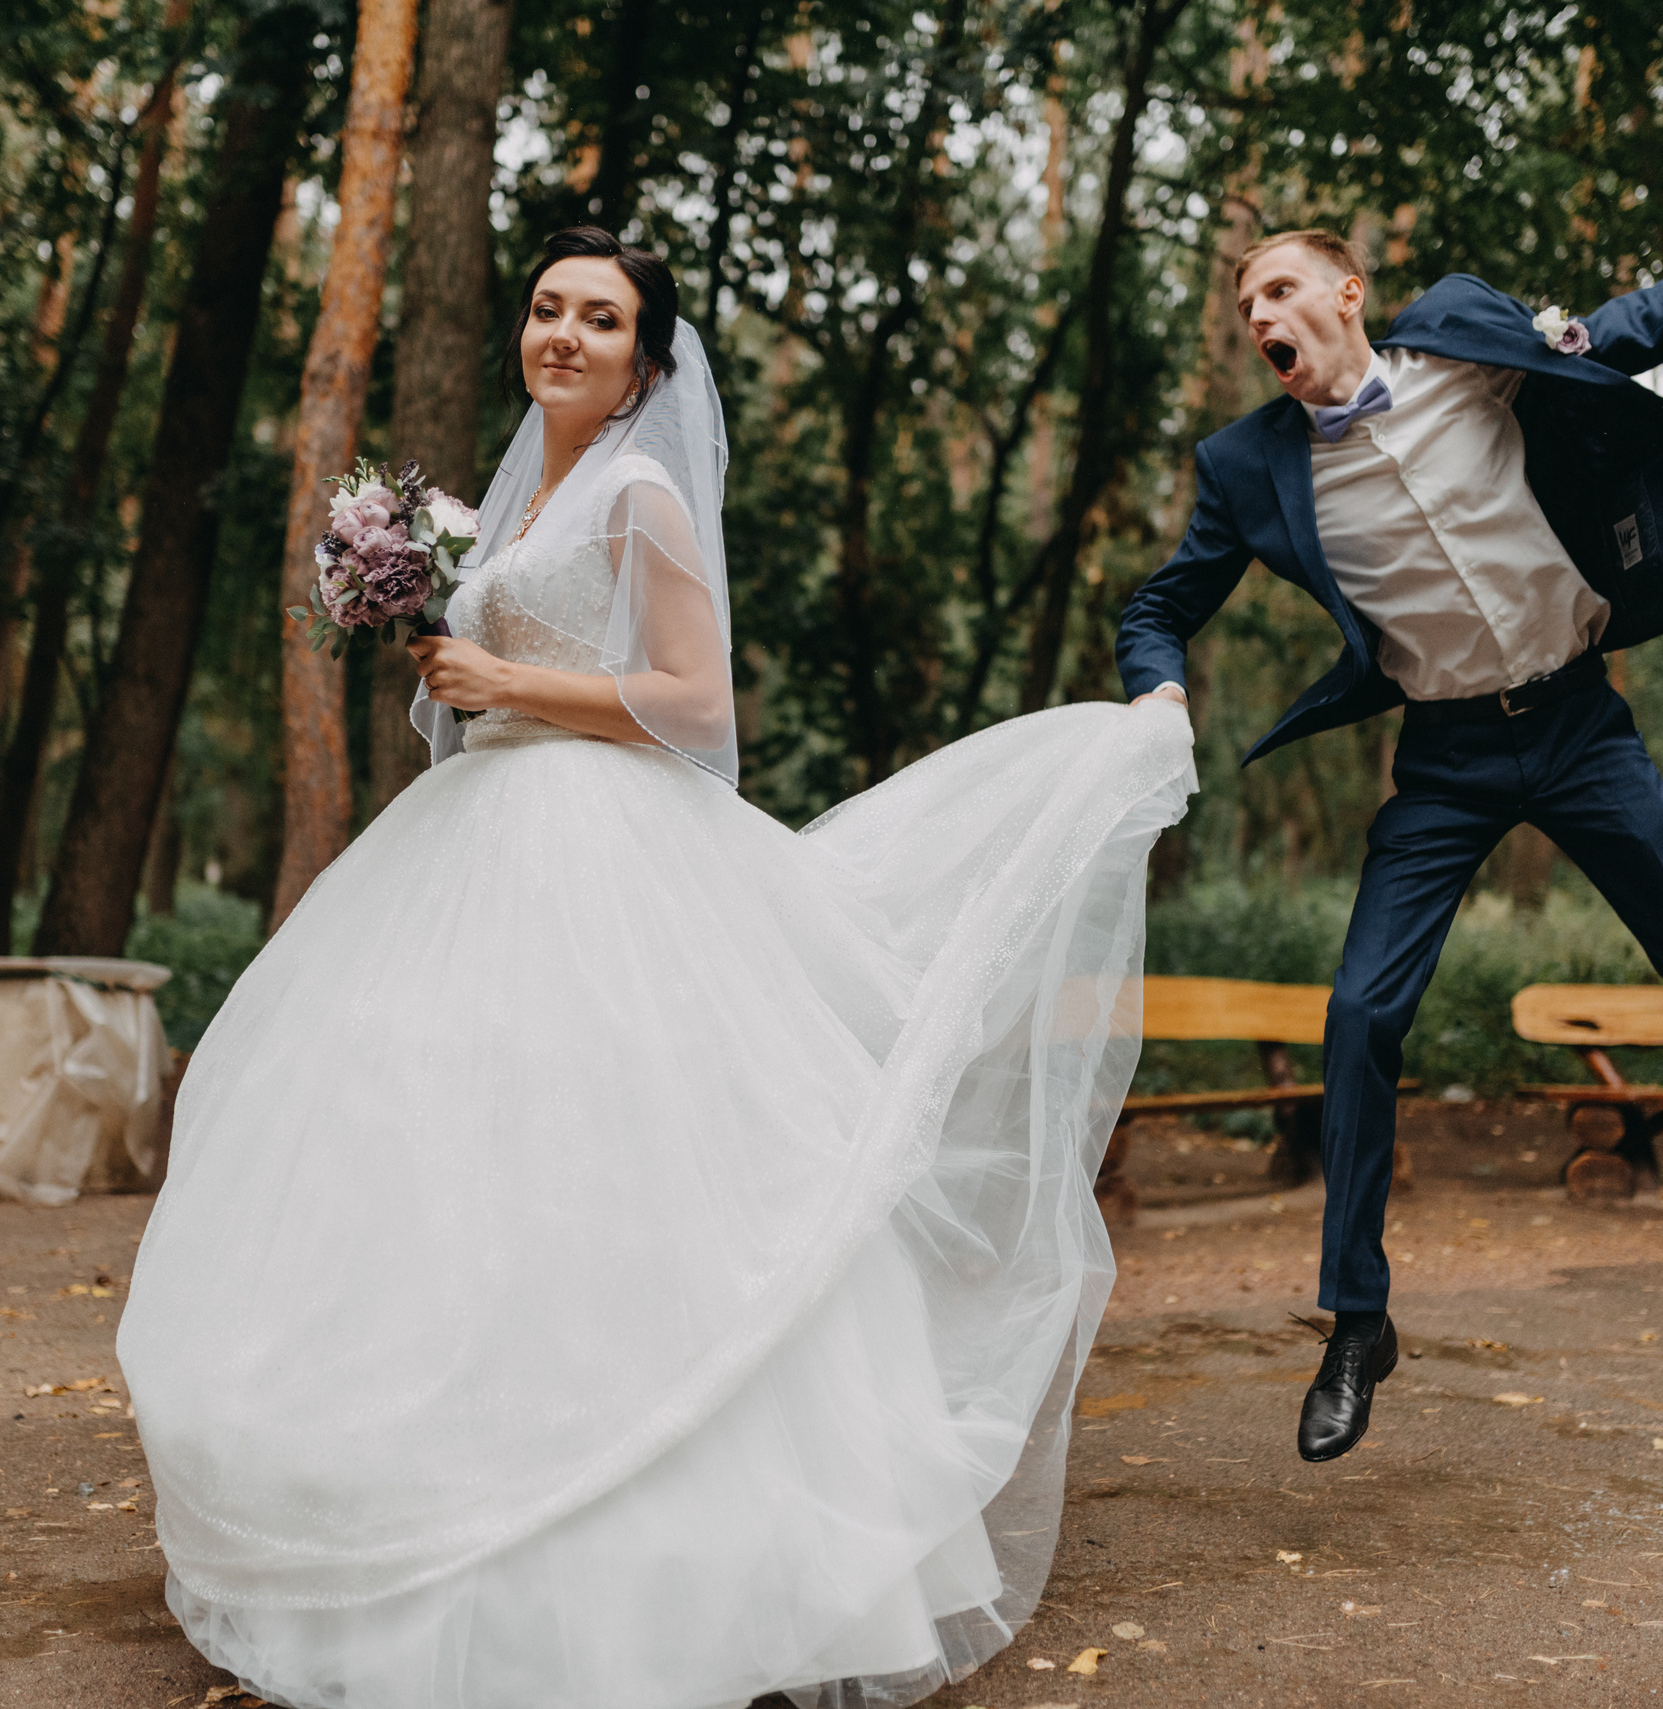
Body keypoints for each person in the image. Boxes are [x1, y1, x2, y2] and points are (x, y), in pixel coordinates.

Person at [118, 226, 1199, 1709]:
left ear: (644, 358)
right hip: (471, 838)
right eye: (550, 308)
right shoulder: (518, 499)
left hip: (598, 845)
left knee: (613, 1162)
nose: (564, 333)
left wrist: (511, 681)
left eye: (601, 319)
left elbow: (695, 700)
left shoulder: (638, 485)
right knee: (441, 1163)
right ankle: (432, 1486)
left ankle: (656, 1555)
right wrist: (446, 635)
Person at [1113, 149, 1663, 1466]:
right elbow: (1159, 606)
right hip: (1445, 760)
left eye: (1280, 289)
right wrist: (1157, 693)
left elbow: (1643, 320)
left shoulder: (1469, 344)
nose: (1260, 319)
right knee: (1362, 1011)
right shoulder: (1251, 468)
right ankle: (1358, 1323)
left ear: (1349, 291)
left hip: (1579, 722)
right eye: (1245, 309)